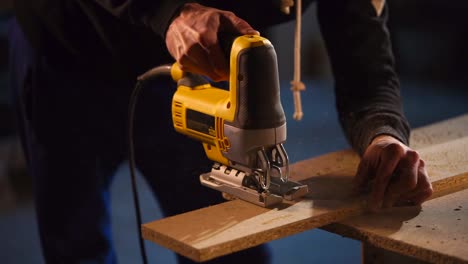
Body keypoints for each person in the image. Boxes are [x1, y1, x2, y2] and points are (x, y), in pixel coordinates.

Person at [9, 0, 433, 263]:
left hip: (197, 68)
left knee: (231, 251)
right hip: (69, 52)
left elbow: (367, 66)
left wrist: (383, 136)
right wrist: (168, 10)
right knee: (79, 247)